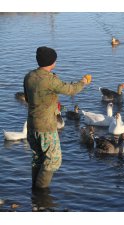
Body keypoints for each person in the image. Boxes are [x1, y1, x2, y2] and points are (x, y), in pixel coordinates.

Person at [24, 46, 92, 189]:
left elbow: (28, 99)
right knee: (53, 160)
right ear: (52, 62)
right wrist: (83, 82)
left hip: (31, 125)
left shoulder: (29, 76)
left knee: (38, 158)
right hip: (46, 127)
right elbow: (70, 90)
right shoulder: (50, 80)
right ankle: (41, 191)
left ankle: (35, 194)